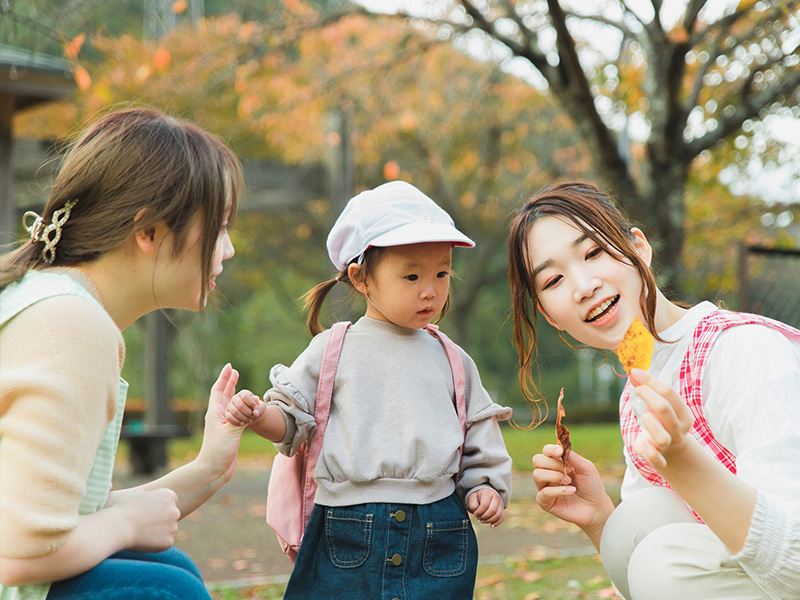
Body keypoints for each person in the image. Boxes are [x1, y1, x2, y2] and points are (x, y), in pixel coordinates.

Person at [0, 107, 250, 600]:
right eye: (218, 227)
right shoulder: (70, 325)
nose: (229, 249)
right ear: (149, 231)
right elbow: (15, 550)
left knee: (164, 570)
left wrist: (208, 469)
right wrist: (127, 525)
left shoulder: (45, 301)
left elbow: (52, 513)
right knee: (165, 589)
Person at [507, 181, 800, 600]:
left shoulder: (742, 351)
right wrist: (598, 520)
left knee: (660, 563)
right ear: (549, 315)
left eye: (593, 253)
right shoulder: (636, 398)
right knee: (634, 523)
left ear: (639, 248)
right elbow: (650, 571)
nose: (582, 285)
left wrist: (685, 462)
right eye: (553, 280)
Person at [226, 181, 513, 599]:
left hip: (439, 527)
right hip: (346, 525)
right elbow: (291, 423)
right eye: (411, 275)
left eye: (442, 273)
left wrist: (486, 486)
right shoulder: (332, 350)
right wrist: (258, 417)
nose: (429, 289)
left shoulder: (451, 358)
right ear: (361, 278)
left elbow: (479, 435)